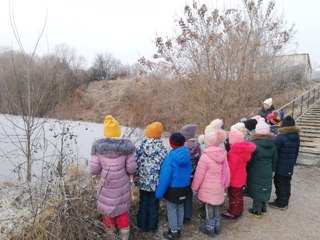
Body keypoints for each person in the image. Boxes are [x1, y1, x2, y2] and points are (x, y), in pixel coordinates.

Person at [89, 115, 137, 240]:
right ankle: (124, 238)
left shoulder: (98, 150)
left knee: (107, 215)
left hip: (106, 188)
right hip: (121, 191)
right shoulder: (127, 150)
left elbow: (93, 170)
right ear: (118, 132)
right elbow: (132, 169)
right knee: (122, 215)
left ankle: (110, 237)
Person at [191, 127, 230, 238]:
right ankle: (217, 227)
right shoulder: (223, 155)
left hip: (208, 189)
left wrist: (194, 187)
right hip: (219, 187)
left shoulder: (205, 156)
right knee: (217, 207)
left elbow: (199, 175)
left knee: (209, 208)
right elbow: (226, 171)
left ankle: (210, 229)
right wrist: (226, 184)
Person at [155, 132, 191, 240]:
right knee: (180, 208)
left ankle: (173, 232)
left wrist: (159, 193)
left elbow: (165, 177)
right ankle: (178, 229)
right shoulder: (187, 155)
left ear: (171, 143)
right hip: (185, 188)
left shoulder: (170, 157)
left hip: (173, 189)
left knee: (171, 209)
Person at [135, 122, 167, 232]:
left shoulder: (141, 146)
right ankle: (152, 228)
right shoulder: (162, 148)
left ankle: (141, 226)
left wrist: (136, 178)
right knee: (154, 205)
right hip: (155, 183)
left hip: (143, 181)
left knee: (143, 203)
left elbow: (135, 163)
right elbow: (165, 166)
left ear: (148, 133)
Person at [222, 130, 256, 220]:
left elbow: (231, 169)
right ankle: (239, 210)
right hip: (241, 177)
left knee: (233, 196)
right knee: (239, 195)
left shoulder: (234, 152)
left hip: (234, 179)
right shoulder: (245, 150)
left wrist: (227, 180)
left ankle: (233, 212)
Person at [247, 121, 278, 218]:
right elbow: (275, 158)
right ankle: (263, 208)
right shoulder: (272, 144)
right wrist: (273, 169)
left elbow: (249, 159)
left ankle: (257, 210)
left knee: (257, 188)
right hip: (268, 170)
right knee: (264, 188)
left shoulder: (253, 144)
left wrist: (248, 168)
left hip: (256, 170)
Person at [269, 116, 300, 210]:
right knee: (286, 183)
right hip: (289, 166)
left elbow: (274, 153)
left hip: (280, 166)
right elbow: (296, 152)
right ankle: (285, 201)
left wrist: (272, 166)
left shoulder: (280, 138)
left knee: (280, 183)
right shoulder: (297, 137)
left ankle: (281, 203)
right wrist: (292, 163)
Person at [180, 124, 201, 223]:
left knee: (181, 195)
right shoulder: (197, 146)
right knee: (188, 195)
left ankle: (181, 214)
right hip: (193, 174)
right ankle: (187, 215)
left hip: (183, 175)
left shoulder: (183, 146)